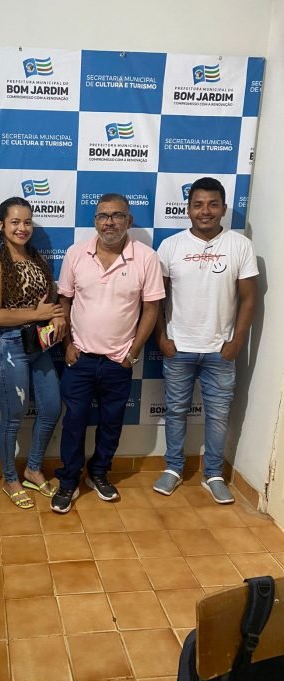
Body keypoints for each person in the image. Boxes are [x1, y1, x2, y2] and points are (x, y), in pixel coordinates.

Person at [52, 193, 165, 514]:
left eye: (117, 215)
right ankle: (68, 479)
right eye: (103, 216)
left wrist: (133, 353)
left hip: (119, 361)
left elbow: (151, 308)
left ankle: (99, 473)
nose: (110, 222)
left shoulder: (146, 258)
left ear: (129, 220)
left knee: (112, 423)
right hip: (80, 359)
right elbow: (64, 302)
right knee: (74, 422)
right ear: (95, 221)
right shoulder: (76, 254)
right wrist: (67, 344)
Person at [153, 177, 258, 504]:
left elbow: (249, 300)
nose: (205, 211)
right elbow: (156, 299)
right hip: (179, 348)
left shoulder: (240, 245)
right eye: (198, 204)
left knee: (218, 416)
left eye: (213, 204)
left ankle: (213, 474)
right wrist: (162, 337)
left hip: (220, 351)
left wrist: (236, 343)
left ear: (224, 208)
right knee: (176, 411)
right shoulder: (170, 246)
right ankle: (173, 468)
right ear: (188, 209)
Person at [0, 197, 64, 509]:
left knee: (52, 408)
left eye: (27, 222)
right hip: (8, 347)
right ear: (1, 225)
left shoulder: (38, 260)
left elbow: (49, 305)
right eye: (15, 222)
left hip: (39, 346)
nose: (22, 228)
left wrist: (55, 317)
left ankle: (32, 468)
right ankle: (9, 478)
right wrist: (37, 314)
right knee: (13, 417)